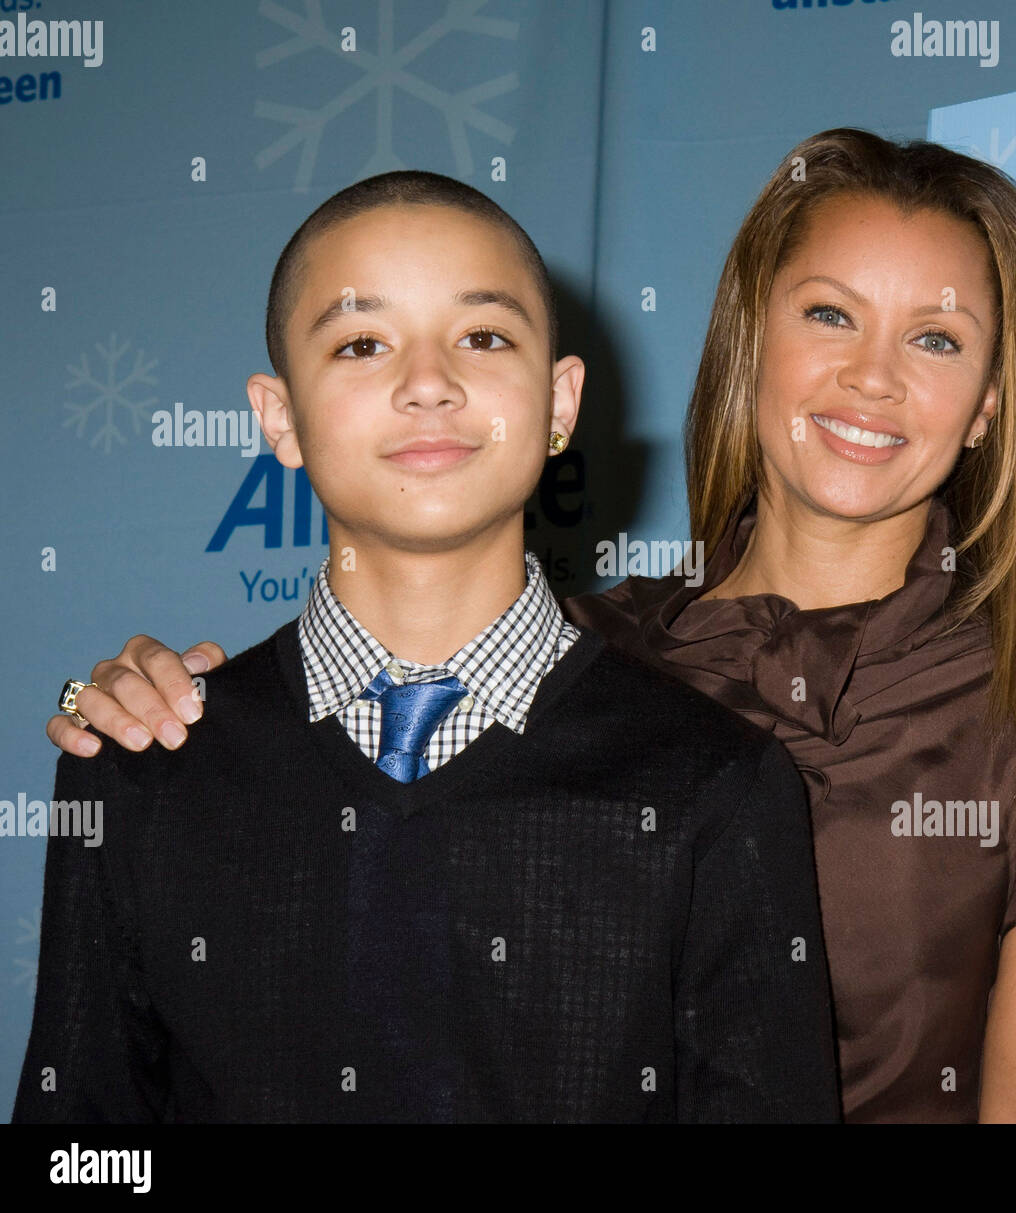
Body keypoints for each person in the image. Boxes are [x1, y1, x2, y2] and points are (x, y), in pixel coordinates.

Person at [45, 130, 1016, 1123]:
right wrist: (158, 704)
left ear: (993, 397)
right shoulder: (573, 660)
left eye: (937, 339)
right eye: (830, 315)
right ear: (755, 337)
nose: (874, 380)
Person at [16, 171, 840, 1124]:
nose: (427, 385)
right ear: (279, 417)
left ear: (561, 400)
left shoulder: (717, 785)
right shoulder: (141, 768)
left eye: (483, 336)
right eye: (362, 343)